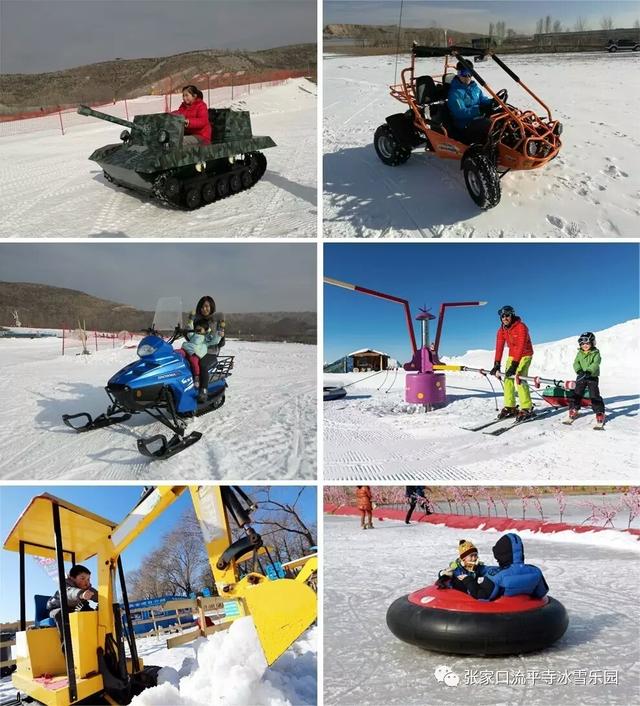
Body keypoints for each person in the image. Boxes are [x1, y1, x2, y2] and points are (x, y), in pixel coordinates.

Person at [458, 533, 548, 601]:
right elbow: (541, 593)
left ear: (502, 555)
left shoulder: (497, 577)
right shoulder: (535, 571)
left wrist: (468, 580)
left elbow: (482, 596)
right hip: (528, 614)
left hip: (505, 614)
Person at [490, 305, 535, 421]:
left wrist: (514, 365)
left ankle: (526, 407)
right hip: (512, 355)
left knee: (519, 378)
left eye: (507, 315)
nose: (505, 318)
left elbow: (521, 346)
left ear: (512, 315)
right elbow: (499, 347)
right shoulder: (501, 330)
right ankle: (510, 406)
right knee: (507, 379)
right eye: (502, 316)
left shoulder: (521, 327)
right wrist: (496, 364)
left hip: (525, 354)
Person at [47, 564, 98, 646]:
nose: (87, 582)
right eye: (82, 578)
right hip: (57, 608)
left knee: (88, 611)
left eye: (88, 579)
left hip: (73, 609)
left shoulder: (86, 588)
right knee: (61, 613)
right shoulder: (65, 586)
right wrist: (81, 594)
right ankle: (67, 647)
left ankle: (94, 642)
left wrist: (104, 600)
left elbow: (95, 594)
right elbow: (70, 593)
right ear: (72, 578)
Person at [447, 62, 494, 144]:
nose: (467, 77)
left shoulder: (474, 88)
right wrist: (479, 110)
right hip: (464, 124)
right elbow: (460, 113)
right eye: (464, 74)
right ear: (458, 73)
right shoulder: (455, 93)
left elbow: (483, 100)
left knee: (501, 117)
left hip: (478, 118)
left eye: (470, 74)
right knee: (490, 124)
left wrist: (493, 101)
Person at [189, 296, 225, 403]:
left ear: (211, 307)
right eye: (201, 307)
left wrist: (220, 336)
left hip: (210, 351)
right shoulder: (197, 320)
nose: (204, 309)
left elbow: (220, 340)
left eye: (206, 306)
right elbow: (191, 334)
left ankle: (203, 390)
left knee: (202, 364)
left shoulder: (216, 320)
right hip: (197, 348)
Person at [568, 332, 605, 425]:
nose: (585, 345)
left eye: (587, 343)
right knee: (577, 393)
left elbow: (596, 363)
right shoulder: (579, 353)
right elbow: (576, 363)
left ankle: (599, 412)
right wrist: (579, 370)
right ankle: (574, 409)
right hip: (581, 376)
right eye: (583, 344)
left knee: (594, 395)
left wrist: (589, 371)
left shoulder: (596, 353)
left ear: (592, 343)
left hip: (592, 376)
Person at [177, 316, 209, 384]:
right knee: (177, 353)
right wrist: (190, 320)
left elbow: (214, 340)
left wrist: (219, 332)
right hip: (186, 349)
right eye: (197, 327)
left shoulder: (206, 338)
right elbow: (189, 332)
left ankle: (196, 377)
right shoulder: (193, 334)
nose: (198, 328)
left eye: (201, 327)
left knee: (194, 361)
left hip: (195, 352)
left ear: (205, 330)